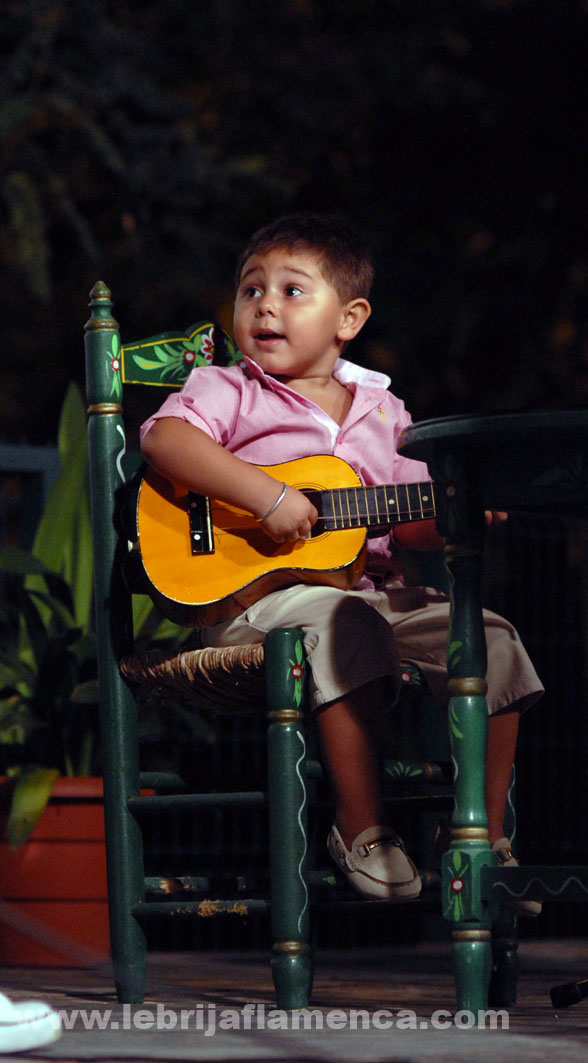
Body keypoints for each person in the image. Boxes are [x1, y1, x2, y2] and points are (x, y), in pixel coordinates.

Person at [140, 212, 543, 907]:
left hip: (367, 597)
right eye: (250, 289)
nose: (265, 303)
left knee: (495, 639)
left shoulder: (384, 412)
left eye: (292, 290)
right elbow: (167, 442)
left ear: (348, 318)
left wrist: (455, 514)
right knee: (342, 622)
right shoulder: (228, 389)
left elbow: (406, 525)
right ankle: (361, 829)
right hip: (251, 604)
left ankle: (478, 833)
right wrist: (265, 495)